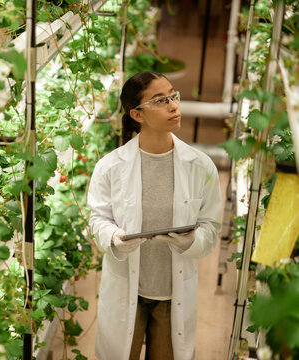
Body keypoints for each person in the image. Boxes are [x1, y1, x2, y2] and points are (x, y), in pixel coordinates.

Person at [87, 71, 222, 360]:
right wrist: (113, 237)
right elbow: (97, 219)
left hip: (173, 294)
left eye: (174, 96)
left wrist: (193, 241)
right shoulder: (110, 167)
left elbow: (211, 224)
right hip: (127, 289)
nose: (174, 106)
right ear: (137, 114)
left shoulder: (200, 166)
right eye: (161, 101)